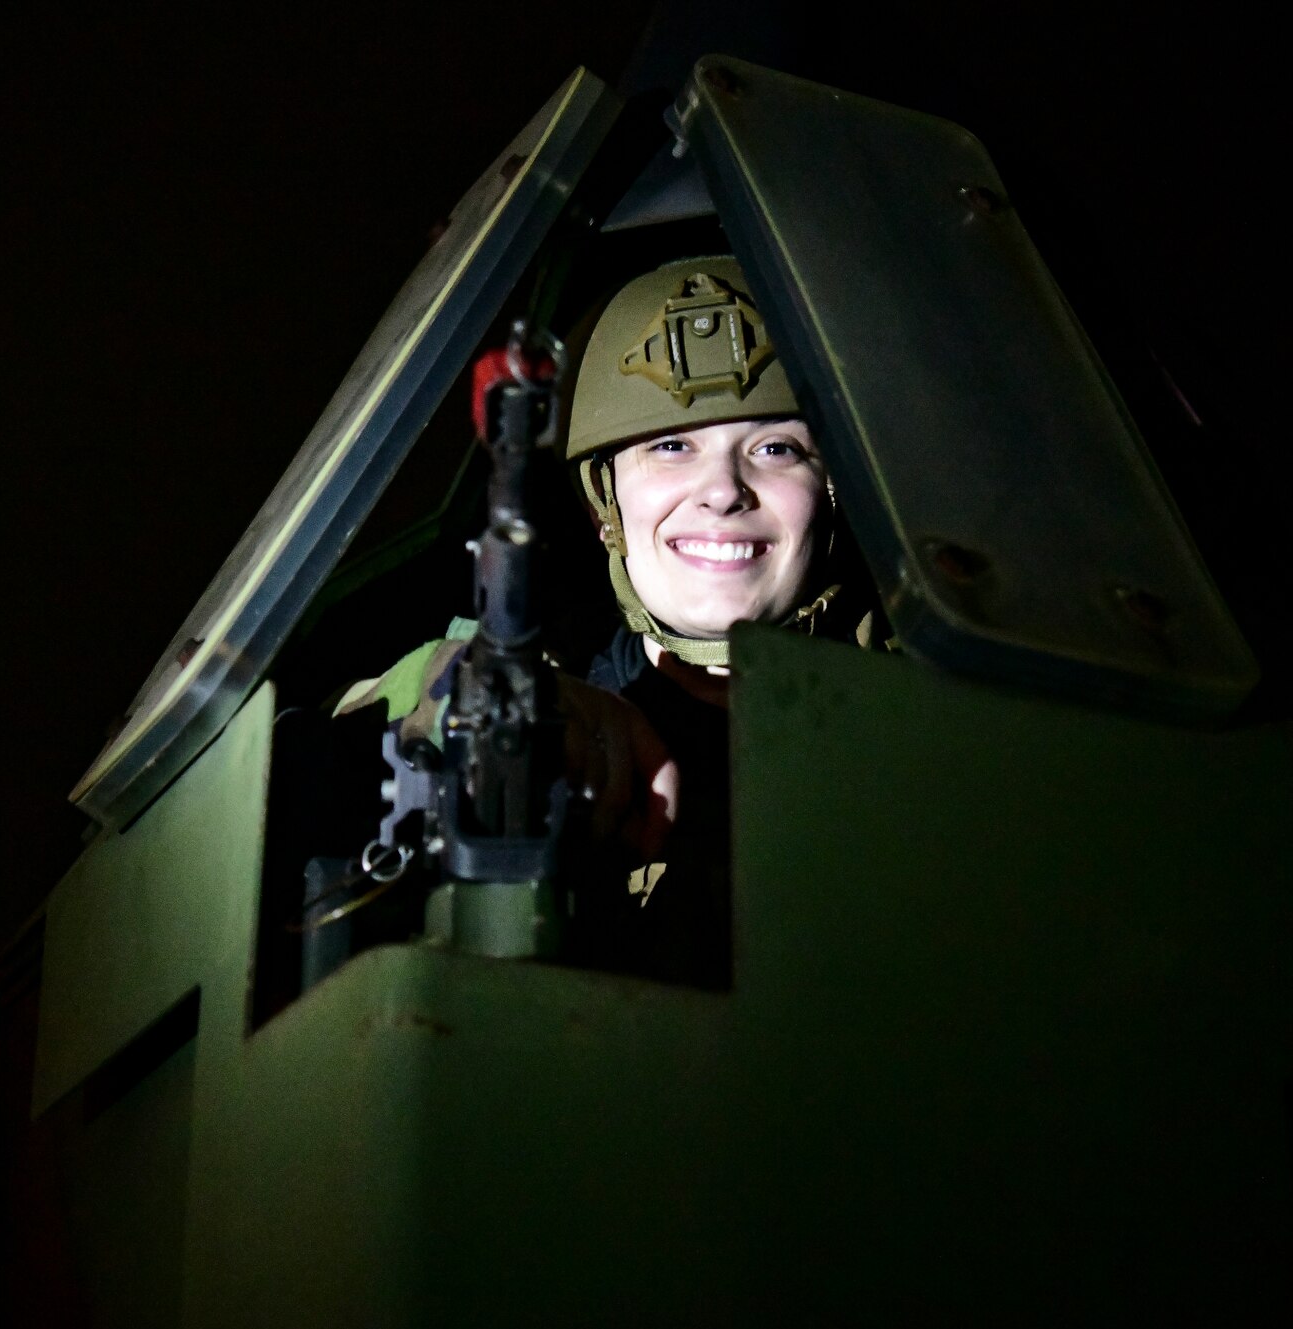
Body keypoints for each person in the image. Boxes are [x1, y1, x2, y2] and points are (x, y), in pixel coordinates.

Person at [336, 256, 887, 982]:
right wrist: (448, 699)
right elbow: (311, 767)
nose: (723, 490)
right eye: (671, 446)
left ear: (832, 491)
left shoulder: (931, 708)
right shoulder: (562, 713)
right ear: (606, 505)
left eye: (774, 448)